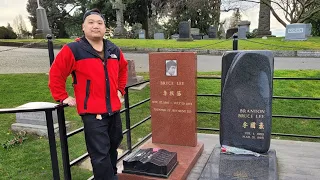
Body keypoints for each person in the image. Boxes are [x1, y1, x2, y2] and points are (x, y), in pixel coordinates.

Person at [48, 8, 128, 180]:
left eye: (99, 23)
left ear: (105, 27)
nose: (95, 26)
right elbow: (56, 73)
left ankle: (111, 174)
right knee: (100, 154)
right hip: (92, 112)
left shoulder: (113, 49)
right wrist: (62, 96)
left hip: (113, 109)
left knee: (113, 144)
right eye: (91, 22)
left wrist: (121, 89)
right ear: (83, 27)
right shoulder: (73, 49)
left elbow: (123, 69)